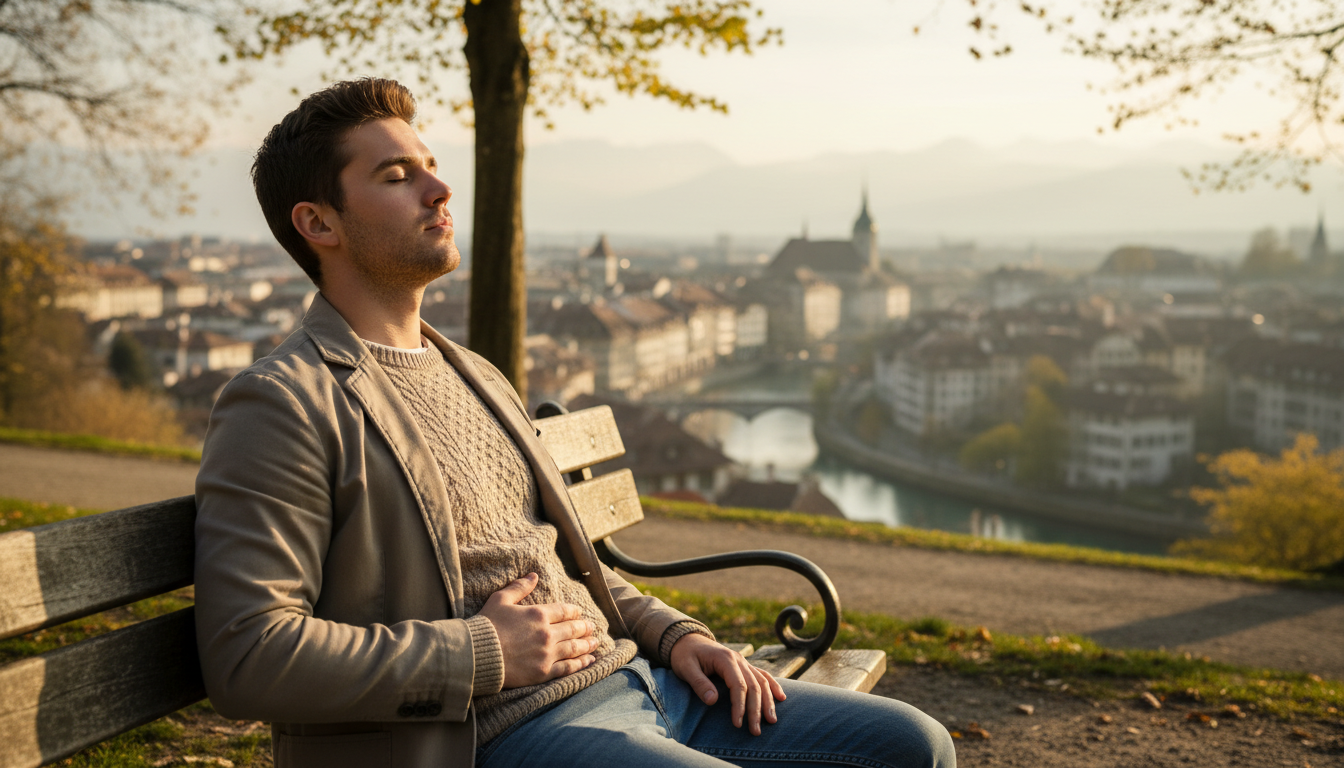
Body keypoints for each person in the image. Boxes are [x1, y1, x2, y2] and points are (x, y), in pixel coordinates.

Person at [193, 77, 955, 768]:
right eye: (397, 177)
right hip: (505, 733)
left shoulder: (474, 373)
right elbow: (248, 655)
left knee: (913, 746)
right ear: (318, 223)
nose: (440, 187)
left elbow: (566, 565)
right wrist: (482, 653)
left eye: (429, 165)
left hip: (645, 682)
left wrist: (675, 634)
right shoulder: (284, 401)